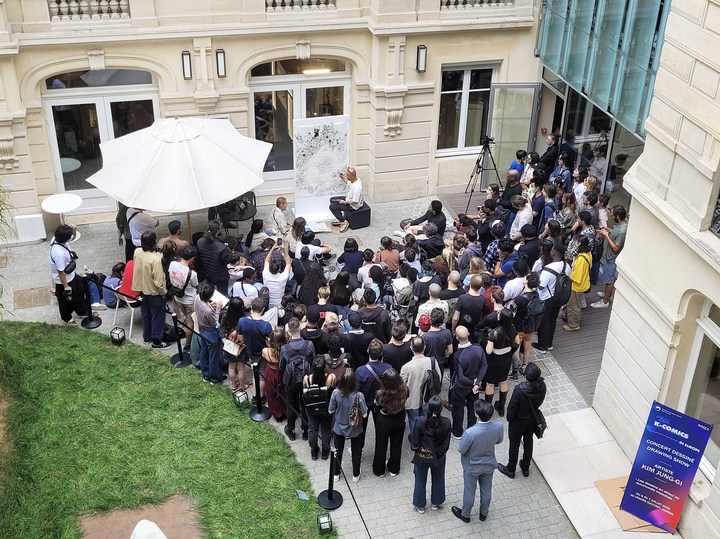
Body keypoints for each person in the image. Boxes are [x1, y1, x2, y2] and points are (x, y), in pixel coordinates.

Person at [452, 400, 504, 523]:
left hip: (472, 466)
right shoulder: (498, 426)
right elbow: (499, 441)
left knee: (469, 491)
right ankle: (483, 513)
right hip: (489, 463)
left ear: (476, 414)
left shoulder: (470, 432)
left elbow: (461, 449)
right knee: (486, 489)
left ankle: (465, 515)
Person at [498, 362, 546, 479]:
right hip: (531, 420)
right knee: (528, 442)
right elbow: (540, 402)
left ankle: (511, 469)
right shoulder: (542, 386)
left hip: (518, 422)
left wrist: (510, 419)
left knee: (514, 445)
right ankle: (525, 467)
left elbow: (511, 410)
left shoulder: (519, 390)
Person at [411, 396, 452, 513]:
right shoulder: (446, 422)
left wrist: (418, 450)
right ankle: (436, 502)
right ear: (441, 409)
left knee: (420, 479)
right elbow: (446, 445)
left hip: (422, 456)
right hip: (438, 457)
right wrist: (437, 454)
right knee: (438, 478)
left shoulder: (420, 421)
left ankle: (420, 505)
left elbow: (415, 441)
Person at [328, 368, 368, 483]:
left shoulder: (335, 393)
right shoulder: (359, 396)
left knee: (337, 451)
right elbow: (364, 415)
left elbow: (330, 411)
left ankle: (336, 473)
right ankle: (355, 475)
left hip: (339, 427)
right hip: (355, 428)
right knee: (356, 451)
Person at [132, 230, 170, 349]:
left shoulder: (137, 251)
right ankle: (157, 342)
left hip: (143, 290)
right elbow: (158, 282)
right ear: (154, 242)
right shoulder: (156, 259)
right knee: (157, 317)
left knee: (146, 315)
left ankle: (147, 337)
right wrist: (164, 292)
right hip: (155, 293)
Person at [534, 241, 570, 352]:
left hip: (547, 298)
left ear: (554, 253)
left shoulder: (548, 268)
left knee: (544, 322)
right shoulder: (566, 266)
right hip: (559, 297)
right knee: (553, 320)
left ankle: (542, 346)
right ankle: (549, 344)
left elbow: (541, 286)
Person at [450, 326, 486, 438]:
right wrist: (477, 382)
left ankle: (457, 431)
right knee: (472, 407)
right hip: (474, 386)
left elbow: (460, 376)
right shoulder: (478, 348)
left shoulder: (457, 355)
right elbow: (484, 365)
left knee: (458, 408)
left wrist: (472, 383)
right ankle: (471, 428)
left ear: (456, 337)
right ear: (469, 334)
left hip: (461, 386)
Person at [400, 336, 441, 435]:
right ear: (425, 347)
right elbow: (438, 378)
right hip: (428, 397)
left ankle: (415, 438)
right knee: (426, 418)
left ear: (411, 348)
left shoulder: (406, 367)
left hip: (412, 399)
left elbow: (401, 385)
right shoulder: (432, 361)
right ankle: (425, 436)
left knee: (414, 419)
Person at [49, 224, 88, 326]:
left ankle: (82, 311)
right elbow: (61, 272)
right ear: (64, 238)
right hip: (63, 280)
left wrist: (74, 230)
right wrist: (66, 286)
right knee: (65, 301)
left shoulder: (57, 239)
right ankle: (66, 318)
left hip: (72, 275)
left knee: (79, 292)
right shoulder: (59, 254)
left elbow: (72, 238)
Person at [235, 298, 273, 401]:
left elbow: (240, 338)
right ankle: (261, 397)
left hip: (250, 352)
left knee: (254, 373)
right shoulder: (266, 326)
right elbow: (271, 343)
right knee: (262, 376)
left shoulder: (242, 321)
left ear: (251, 307)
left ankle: (254, 397)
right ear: (263, 309)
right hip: (263, 353)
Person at [372, 368, 408, 477]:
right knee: (397, 444)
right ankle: (394, 469)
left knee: (381, 445)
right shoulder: (405, 390)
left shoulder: (380, 393)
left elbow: (377, 404)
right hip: (399, 418)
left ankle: (379, 470)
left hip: (384, 419)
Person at [591, 205, 628, 309]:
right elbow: (615, 233)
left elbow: (616, 248)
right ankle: (607, 294)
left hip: (612, 259)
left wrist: (606, 236)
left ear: (618, 216)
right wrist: (607, 230)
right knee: (608, 279)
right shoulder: (621, 226)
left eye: (613, 216)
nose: (611, 217)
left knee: (609, 280)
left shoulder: (622, 231)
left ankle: (605, 300)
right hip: (609, 257)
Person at [485, 309, 518, 414]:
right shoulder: (513, 329)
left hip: (494, 360)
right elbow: (517, 342)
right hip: (506, 359)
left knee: (490, 384)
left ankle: (488, 408)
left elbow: (489, 351)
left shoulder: (494, 332)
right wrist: (511, 351)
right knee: (503, 381)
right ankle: (501, 407)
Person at [303, 355, 335, 460]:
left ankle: (314, 450)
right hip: (326, 407)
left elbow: (305, 389)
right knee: (326, 429)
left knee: (312, 428)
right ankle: (325, 451)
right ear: (325, 366)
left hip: (312, 407)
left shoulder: (307, 378)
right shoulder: (331, 377)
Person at [168, 245, 199, 350]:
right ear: (192, 258)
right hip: (190, 300)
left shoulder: (172, 264)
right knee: (191, 322)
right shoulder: (192, 273)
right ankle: (187, 344)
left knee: (186, 316)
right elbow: (195, 285)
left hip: (178, 298)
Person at [194, 282, 224, 384]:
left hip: (202, 329)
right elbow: (215, 323)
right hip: (211, 333)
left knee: (204, 352)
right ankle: (215, 378)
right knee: (213, 356)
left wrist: (211, 306)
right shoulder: (207, 311)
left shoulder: (197, 298)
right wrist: (218, 308)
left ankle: (205, 374)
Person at [196, 221, 235, 295]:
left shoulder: (200, 241)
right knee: (223, 295)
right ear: (218, 231)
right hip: (220, 275)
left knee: (208, 294)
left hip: (207, 272)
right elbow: (227, 260)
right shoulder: (221, 247)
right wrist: (230, 252)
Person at [563, 235, 591, 331]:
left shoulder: (580, 259)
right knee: (574, 304)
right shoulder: (588, 254)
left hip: (576, 286)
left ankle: (574, 325)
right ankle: (565, 315)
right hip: (584, 283)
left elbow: (576, 277)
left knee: (573, 306)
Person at [329, 167, 364, 233]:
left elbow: (355, 201)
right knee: (332, 200)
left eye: (348, 175)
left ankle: (344, 221)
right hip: (349, 198)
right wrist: (341, 176)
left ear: (352, 176)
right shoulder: (355, 179)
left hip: (353, 206)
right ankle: (340, 218)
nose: (346, 176)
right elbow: (347, 181)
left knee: (332, 207)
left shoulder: (357, 188)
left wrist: (344, 202)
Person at [262, 328, 287, 421]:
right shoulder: (286, 352)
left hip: (270, 374)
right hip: (282, 373)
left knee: (271, 394)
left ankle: (278, 414)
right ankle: (286, 411)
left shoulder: (266, 351)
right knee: (284, 393)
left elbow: (263, 356)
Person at [262, 241, 292, 308]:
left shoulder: (265, 274)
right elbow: (289, 263)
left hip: (268, 304)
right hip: (279, 305)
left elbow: (266, 261)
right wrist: (284, 250)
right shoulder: (283, 277)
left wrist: (272, 249)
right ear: (279, 269)